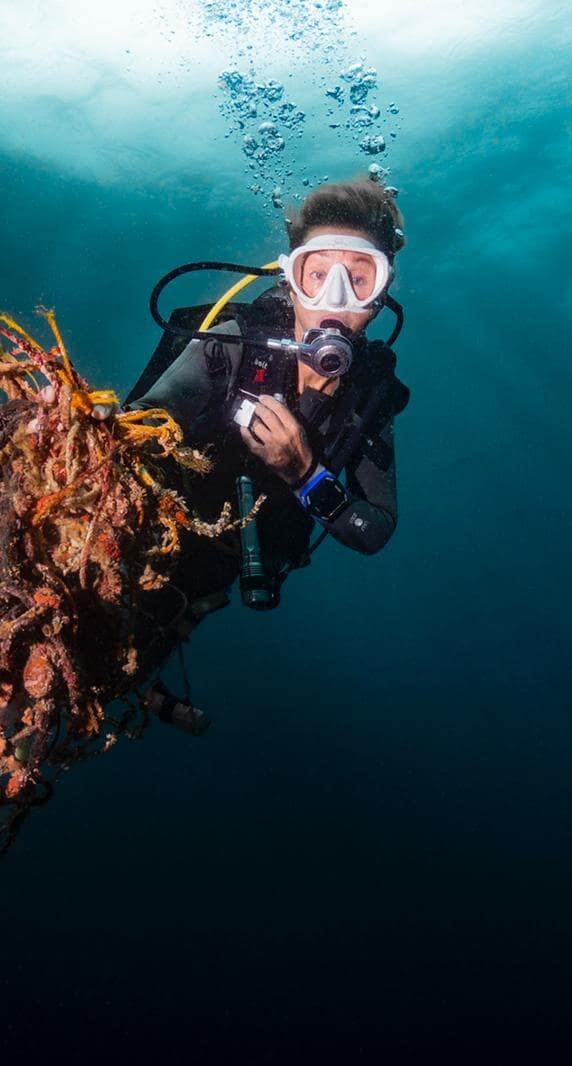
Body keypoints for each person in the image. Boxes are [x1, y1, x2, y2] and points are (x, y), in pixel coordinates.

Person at [120, 178, 408, 726]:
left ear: (382, 295)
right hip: (138, 531)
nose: (336, 299)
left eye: (360, 278)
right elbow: (153, 414)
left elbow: (376, 530)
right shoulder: (234, 342)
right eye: (318, 275)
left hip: (212, 574)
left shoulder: (370, 397)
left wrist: (305, 475)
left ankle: (137, 688)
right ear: (290, 278)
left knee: (128, 657)